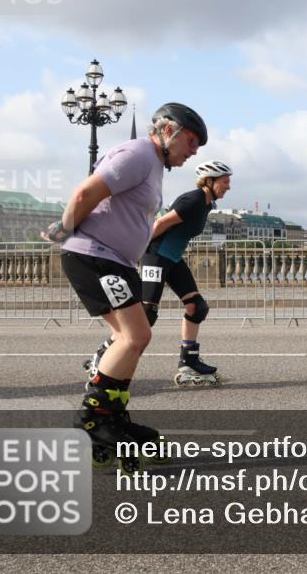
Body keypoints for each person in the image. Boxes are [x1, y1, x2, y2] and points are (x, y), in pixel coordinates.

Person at [43, 103, 206, 469]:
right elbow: (87, 192)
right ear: (169, 131)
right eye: (192, 142)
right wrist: (65, 228)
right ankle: (94, 419)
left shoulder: (152, 164)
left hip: (114, 260)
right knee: (135, 337)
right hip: (96, 256)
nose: (194, 151)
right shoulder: (136, 154)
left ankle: (111, 416)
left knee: (129, 340)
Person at [84, 160, 232, 387]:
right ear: (209, 181)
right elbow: (160, 224)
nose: (228, 186)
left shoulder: (207, 204)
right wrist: (133, 251)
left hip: (172, 257)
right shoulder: (192, 200)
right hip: (156, 255)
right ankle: (102, 355)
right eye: (225, 181)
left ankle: (188, 363)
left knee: (196, 306)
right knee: (146, 314)